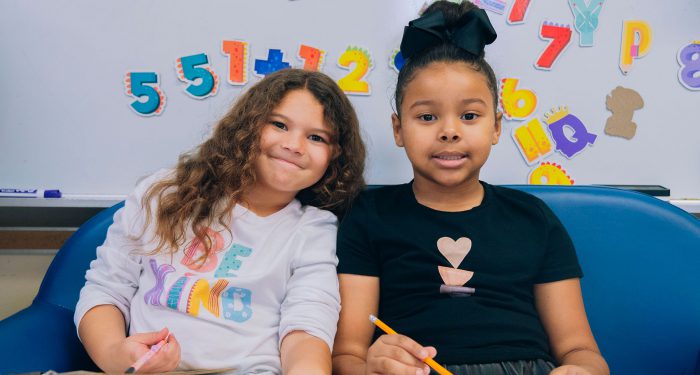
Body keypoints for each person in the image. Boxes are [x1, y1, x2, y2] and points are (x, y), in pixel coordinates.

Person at [331, 2, 609, 375]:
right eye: (427, 116)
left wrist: (583, 370)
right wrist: (370, 366)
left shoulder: (533, 218)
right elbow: (346, 354)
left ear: (495, 127)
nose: (449, 130)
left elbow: (580, 350)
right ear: (398, 129)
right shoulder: (367, 215)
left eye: (469, 116)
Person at [74, 68, 366, 374]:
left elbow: (307, 327)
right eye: (279, 125)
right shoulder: (165, 193)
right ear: (248, 125)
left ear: (335, 156)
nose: (294, 145)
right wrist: (115, 355)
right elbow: (107, 289)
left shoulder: (314, 230)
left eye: (316, 137)